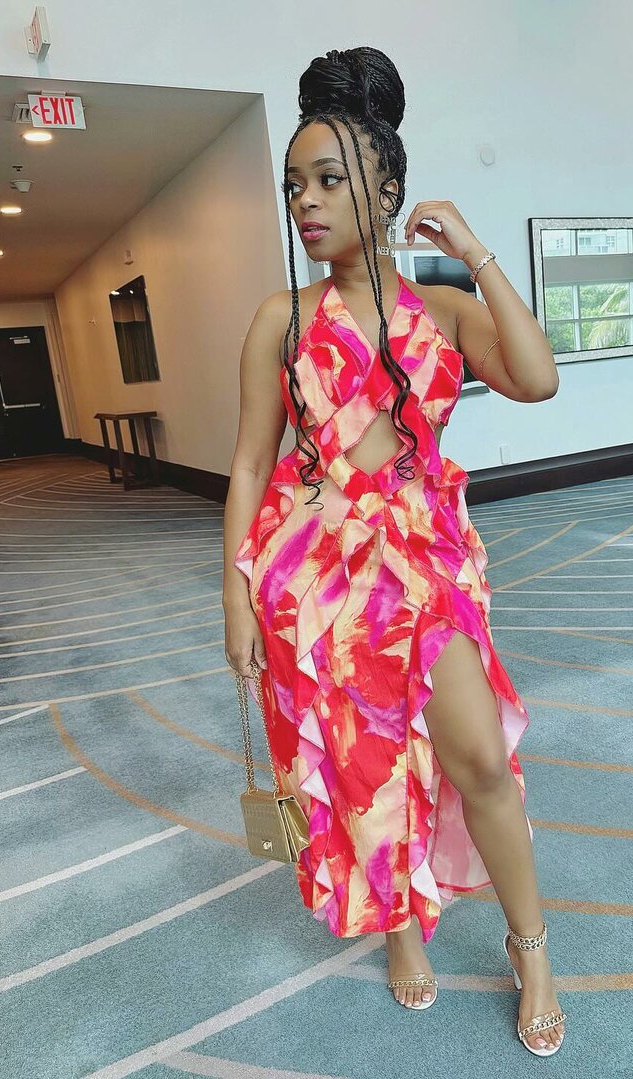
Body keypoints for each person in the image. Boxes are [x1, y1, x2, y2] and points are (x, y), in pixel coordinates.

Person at [222, 46, 564, 1056]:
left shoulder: (442, 310)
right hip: (316, 578)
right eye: (294, 184)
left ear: (386, 189)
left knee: (478, 758)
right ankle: (400, 924)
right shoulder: (280, 320)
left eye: (329, 180)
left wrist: (475, 250)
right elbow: (249, 463)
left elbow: (537, 377)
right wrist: (234, 597)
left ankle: (532, 946)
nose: (306, 201)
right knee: (364, 766)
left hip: (424, 562)